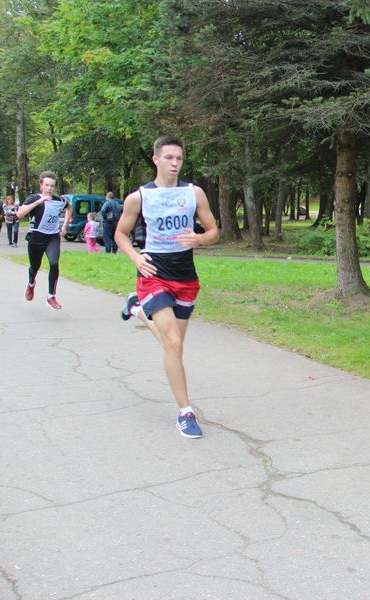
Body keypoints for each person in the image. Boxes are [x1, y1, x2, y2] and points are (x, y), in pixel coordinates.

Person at [115, 135, 219, 438]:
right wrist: (136, 256)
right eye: (169, 158)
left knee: (173, 345)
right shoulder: (139, 197)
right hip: (153, 274)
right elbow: (121, 233)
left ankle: (136, 309)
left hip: (186, 277)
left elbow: (214, 230)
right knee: (173, 344)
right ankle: (185, 412)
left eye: (180, 158)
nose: (175, 163)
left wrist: (199, 238)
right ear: (156, 159)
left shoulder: (193, 193)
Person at [17, 171, 71, 310]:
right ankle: (30, 284)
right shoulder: (33, 198)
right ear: (41, 185)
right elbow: (20, 214)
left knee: (54, 263)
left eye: (52, 186)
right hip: (36, 237)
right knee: (34, 267)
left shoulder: (60, 201)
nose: (49, 188)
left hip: (52, 237)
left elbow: (69, 208)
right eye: (47, 185)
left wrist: (65, 225)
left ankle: (51, 296)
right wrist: (39, 201)